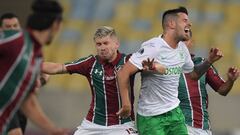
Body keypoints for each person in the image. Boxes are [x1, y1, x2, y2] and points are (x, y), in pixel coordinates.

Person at [117, 7, 223, 135]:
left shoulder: (182, 48)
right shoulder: (153, 46)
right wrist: (126, 103)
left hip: (174, 112)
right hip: (151, 117)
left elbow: (194, 75)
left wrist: (209, 61)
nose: (189, 24)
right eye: (184, 20)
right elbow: (123, 73)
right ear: (171, 24)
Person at [42, 26, 138, 135]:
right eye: (99, 44)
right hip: (92, 125)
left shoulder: (129, 61)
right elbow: (58, 67)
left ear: (116, 44)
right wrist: (31, 64)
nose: (102, 47)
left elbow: (153, 66)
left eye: (106, 43)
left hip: (122, 125)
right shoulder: (90, 63)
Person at [0, 0, 68, 135]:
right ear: (56, 25)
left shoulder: (36, 56)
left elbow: (28, 101)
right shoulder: (15, 39)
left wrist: (52, 129)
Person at [178, 30, 240, 135]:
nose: (181, 44)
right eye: (178, 41)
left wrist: (230, 80)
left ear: (192, 42)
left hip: (200, 127)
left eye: (184, 40)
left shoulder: (203, 64)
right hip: (176, 125)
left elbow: (222, 90)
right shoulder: (166, 67)